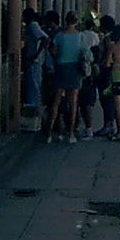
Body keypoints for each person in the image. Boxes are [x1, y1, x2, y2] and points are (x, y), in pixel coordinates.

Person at [46, 12, 86, 143]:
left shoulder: (59, 36)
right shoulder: (80, 37)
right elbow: (86, 53)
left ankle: (50, 133)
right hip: (74, 69)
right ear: (76, 22)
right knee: (73, 102)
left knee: (56, 101)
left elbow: (53, 52)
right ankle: (71, 133)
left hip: (61, 68)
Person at [77, 15, 100, 138]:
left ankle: (78, 125)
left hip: (81, 69)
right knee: (88, 101)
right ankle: (88, 127)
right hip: (91, 69)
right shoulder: (95, 37)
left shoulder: (80, 36)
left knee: (80, 99)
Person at [21, 9, 48, 114]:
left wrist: (35, 55)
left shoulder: (33, 26)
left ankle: (34, 108)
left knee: (33, 84)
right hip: (33, 60)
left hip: (34, 61)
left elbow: (44, 39)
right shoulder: (33, 26)